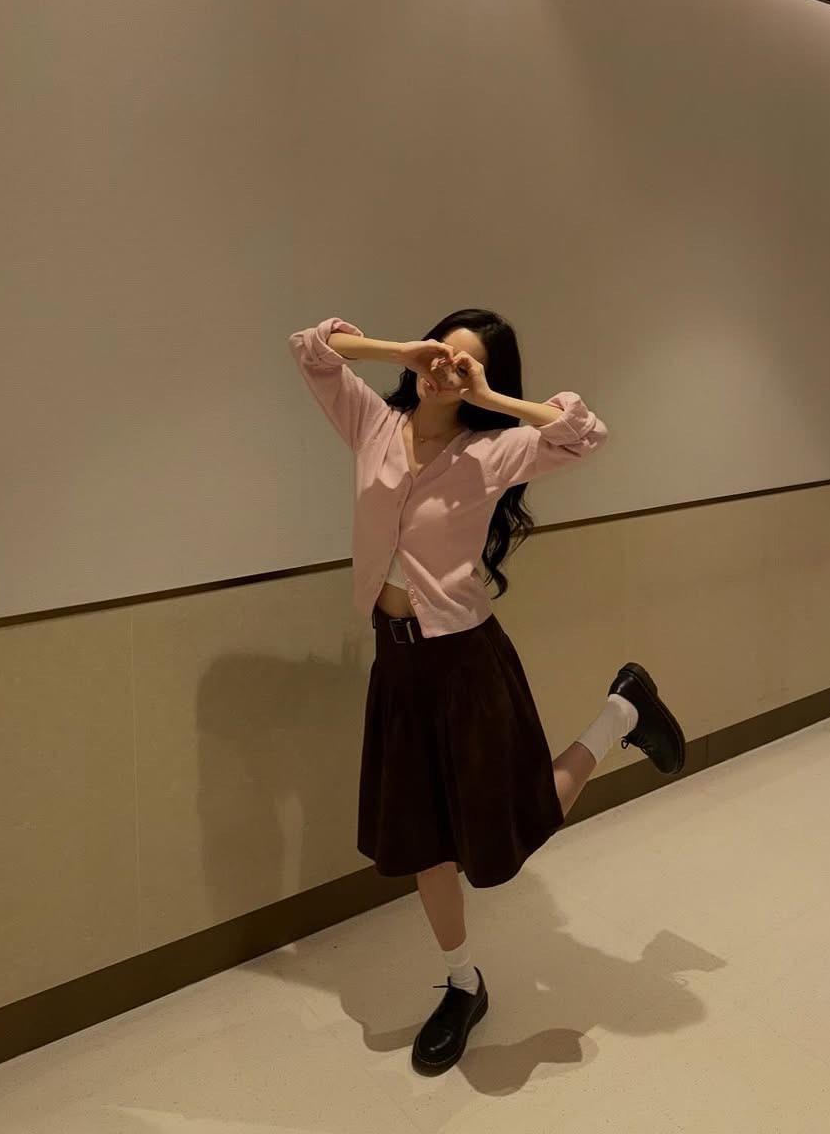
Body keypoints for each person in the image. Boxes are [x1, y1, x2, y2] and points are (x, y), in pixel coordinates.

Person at [287, 312, 685, 1076]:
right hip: (398, 664)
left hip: (466, 662)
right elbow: (311, 348)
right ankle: (463, 983)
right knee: (423, 838)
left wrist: (490, 398)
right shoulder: (372, 423)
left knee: (516, 820)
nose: (446, 370)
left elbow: (586, 433)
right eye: (441, 354)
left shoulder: (492, 452)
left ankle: (620, 713)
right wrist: (397, 350)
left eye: (465, 365)